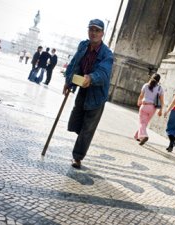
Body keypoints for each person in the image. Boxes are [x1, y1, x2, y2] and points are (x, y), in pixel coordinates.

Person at [63, 19, 113, 169]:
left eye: (97, 30)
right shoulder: (83, 45)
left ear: (102, 33)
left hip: (97, 95)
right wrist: (68, 81)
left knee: (88, 128)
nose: (94, 33)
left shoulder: (107, 54)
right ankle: (82, 138)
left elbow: (104, 73)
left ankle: (77, 157)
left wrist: (91, 78)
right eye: (91, 29)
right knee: (76, 122)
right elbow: (75, 63)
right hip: (83, 89)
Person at [134, 74, 164, 145]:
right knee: (145, 123)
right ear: (159, 80)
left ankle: (144, 136)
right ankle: (137, 136)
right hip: (153, 108)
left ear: (151, 77)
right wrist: (160, 110)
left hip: (144, 106)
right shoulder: (160, 88)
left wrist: (139, 101)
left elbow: (141, 95)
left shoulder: (146, 85)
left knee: (142, 123)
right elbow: (162, 101)